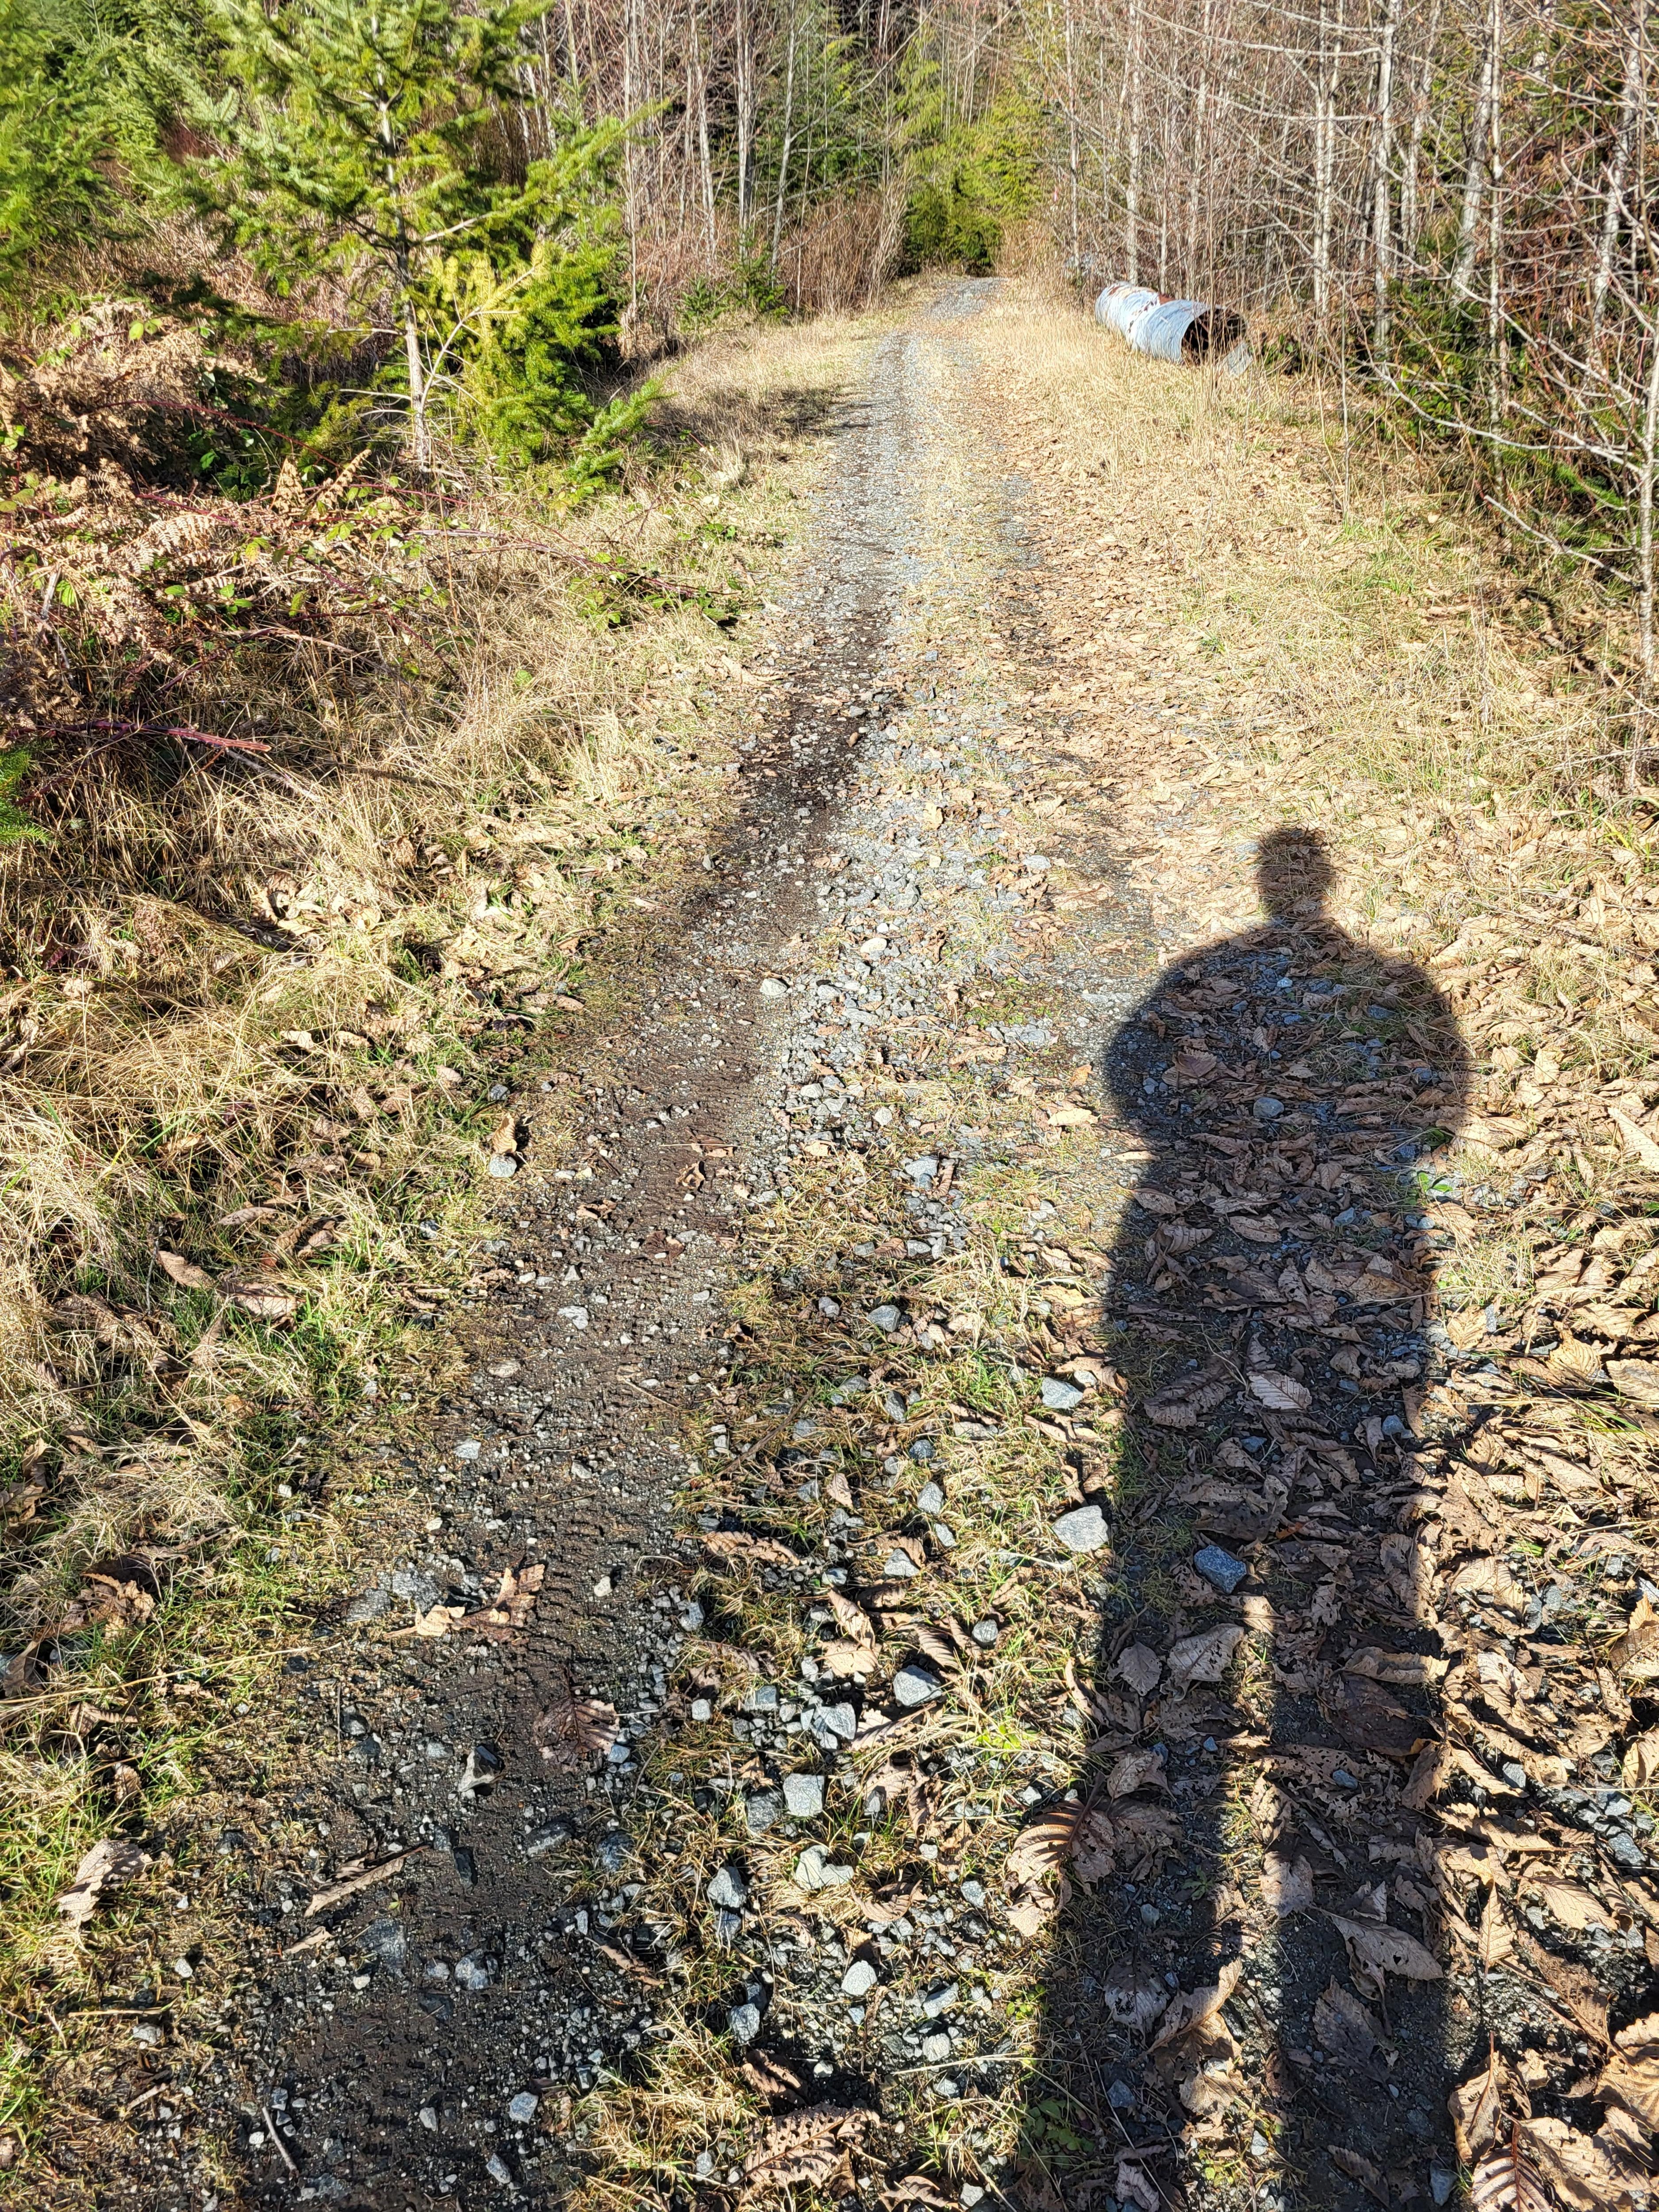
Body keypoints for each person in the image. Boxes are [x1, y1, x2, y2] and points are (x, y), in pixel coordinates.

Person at [1019, 826, 1471, 2212]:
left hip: (1262, 1299)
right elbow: (1439, 1111)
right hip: (1366, 1296)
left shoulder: (1214, 977)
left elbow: (1132, 1077)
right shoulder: (1387, 986)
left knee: (1197, 1612)